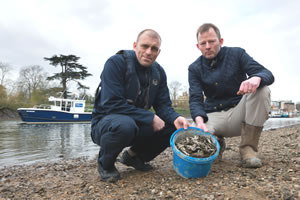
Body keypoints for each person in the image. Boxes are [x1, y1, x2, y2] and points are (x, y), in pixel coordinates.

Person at [91, 29, 190, 182]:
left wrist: (176, 117)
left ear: (159, 51)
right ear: (135, 45)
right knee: (125, 125)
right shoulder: (115, 63)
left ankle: (134, 157)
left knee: (172, 127)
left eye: (154, 48)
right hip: (105, 124)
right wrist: (150, 117)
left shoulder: (159, 72)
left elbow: (163, 105)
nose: (149, 52)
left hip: (136, 123)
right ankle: (106, 164)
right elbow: (111, 104)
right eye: (144, 46)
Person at [188, 23, 274, 168]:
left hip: (239, 114)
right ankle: (216, 144)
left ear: (220, 41)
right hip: (212, 116)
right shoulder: (194, 68)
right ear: (198, 46)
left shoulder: (237, 54)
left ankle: (248, 149)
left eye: (212, 41)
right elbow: (195, 98)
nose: (208, 46)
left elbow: (267, 74)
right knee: (194, 134)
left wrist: (256, 78)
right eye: (203, 43)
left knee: (263, 90)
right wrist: (199, 121)